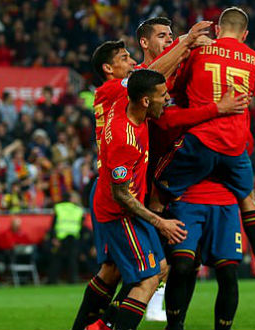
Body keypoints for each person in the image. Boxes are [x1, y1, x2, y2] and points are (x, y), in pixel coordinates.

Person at [152, 7, 255, 231]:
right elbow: (248, 81)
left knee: (158, 192)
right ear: (245, 35)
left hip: (198, 139)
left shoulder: (199, 50)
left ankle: (153, 250)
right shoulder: (254, 58)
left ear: (217, 29)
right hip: (235, 146)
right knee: (247, 198)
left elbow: (177, 88)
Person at [75, 69, 187, 330]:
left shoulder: (125, 102)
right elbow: (121, 196)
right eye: (163, 95)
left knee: (160, 269)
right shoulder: (124, 140)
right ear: (146, 101)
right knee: (147, 282)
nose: (167, 98)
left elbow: (154, 73)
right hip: (119, 214)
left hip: (130, 208)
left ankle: (102, 324)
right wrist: (160, 222)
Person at [164, 176, 255, 330]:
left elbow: (247, 198)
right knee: (182, 266)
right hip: (187, 201)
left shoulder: (239, 154)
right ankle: (174, 325)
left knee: (228, 272)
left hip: (225, 206)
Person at [48, 192, 85, 284]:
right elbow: (81, 225)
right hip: (73, 237)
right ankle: (73, 279)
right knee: (72, 260)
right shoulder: (78, 210)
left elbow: (53, 224)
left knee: (57, 259)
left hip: (60, 237)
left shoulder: (58, 207)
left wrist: (53, 237)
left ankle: (53, 280)